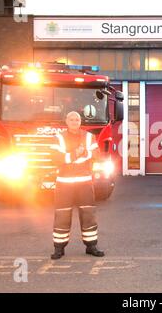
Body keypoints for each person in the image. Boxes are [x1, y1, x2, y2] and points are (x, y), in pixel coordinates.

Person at [50, 111, 104, 260]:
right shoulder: (59, 138)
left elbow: (97, 154)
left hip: (84, 182)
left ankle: (91, 246)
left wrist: (79, 154)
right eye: (72, 119)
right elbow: (56, 158)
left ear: (80, 122)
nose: (75, 121)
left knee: (88, 215)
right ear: (66, 121)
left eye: (77, 119)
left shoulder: (89, 137)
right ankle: (59, 248)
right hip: (64, 183)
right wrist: (76, 154)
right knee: (62, 215)